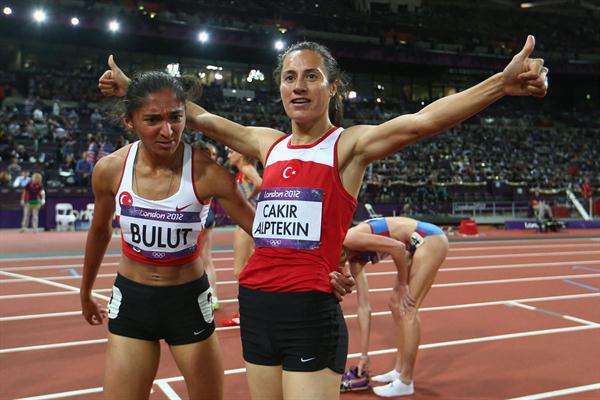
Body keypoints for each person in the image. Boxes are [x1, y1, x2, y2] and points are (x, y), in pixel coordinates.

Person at [99, 36, 548, 399]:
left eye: (311, 77)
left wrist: (499, 85)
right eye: (290, 77)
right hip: (257, 305)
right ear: (279, 88)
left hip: (310, 312)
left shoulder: (348, 146)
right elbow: (201, 117)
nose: (299, 86)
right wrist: (133, 85)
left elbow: (421, 121)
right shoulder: (267, 143)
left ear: (332, 88)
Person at [80, 71, 256, 400]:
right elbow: (100, 231)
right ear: (129, 121)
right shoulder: (110, 170)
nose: (168, 131)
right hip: (133, 301)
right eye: (152, 120)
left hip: (187, 302)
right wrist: (85, 291)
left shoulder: (208, 173)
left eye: (176, 118)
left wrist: (323, 267)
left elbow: (263, 233)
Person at [341, 217, 449, 397]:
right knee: (394, 304)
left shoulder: (350, 238)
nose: (341, 269)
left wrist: (403, 282)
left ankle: (406, 381)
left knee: (408, 309)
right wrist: (364, 355)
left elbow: (397, 248)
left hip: (428, 239)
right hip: (411, 248)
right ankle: (399, 370)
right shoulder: (354, 261)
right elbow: (363, 307)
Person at [194, 140, 221, 310]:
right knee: (206, 258)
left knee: (192, 259)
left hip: (196, 216)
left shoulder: (190, 172)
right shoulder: (214, 172)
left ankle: (201, 297)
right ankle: (213, 297)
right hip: (207, 214)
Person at [227, 149, 262, 279]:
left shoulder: (247, 168)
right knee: (246, 269)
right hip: (246, 222)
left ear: (241, 154)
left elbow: (260, 183)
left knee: (240, 271)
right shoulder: (242, 171)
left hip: (248, 223)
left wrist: (245, 201)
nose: (228, 155)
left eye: (231, 152)